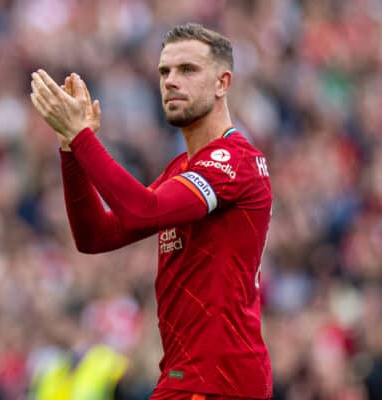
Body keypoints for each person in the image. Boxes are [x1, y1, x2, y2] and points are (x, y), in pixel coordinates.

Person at [30, 22, 273, 400]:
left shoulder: (234, 161)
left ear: (222, 83)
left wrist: (83, 137)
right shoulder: (183, 169)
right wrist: (70, 150)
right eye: (164, 71)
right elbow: (95, 236)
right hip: (186, 376)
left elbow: (142, 211)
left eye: (188, 70)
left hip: (218, 381)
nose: (171, 81)